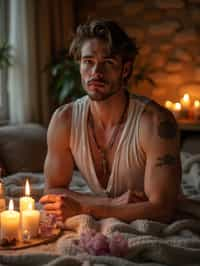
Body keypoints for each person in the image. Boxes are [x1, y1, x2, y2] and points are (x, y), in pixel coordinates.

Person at [40, 19, 181, 223]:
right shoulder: (64, 119)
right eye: (88, 61)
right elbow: (52, 191)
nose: (96, 72)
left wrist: (84, 208)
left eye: (108, 63)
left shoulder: (155, 122)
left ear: (125, 70)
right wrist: (110, 204)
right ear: (80, 66)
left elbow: (163, 209)